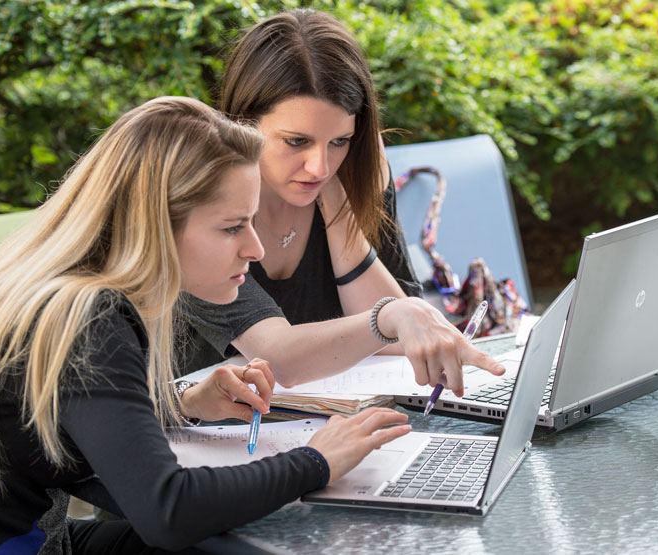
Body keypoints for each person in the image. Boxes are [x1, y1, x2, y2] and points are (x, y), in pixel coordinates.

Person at [0, 97, 411, 554]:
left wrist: (178, 403)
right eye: (232, 227)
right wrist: (316, 460)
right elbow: (169, 511)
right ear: (155, 223)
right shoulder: (86, 320)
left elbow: (46, 411)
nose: (253, 248)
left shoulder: (59, 281)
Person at [178, 9, 505, 394]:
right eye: (296, 141)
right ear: (243, 121)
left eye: (339, 141)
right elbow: (278, 358)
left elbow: (405, 338)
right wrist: (390, 318)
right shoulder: (199, 200)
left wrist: (338, 209)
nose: (319, 166)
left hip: (329, 425)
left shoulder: (350, 176)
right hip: (198, 439)